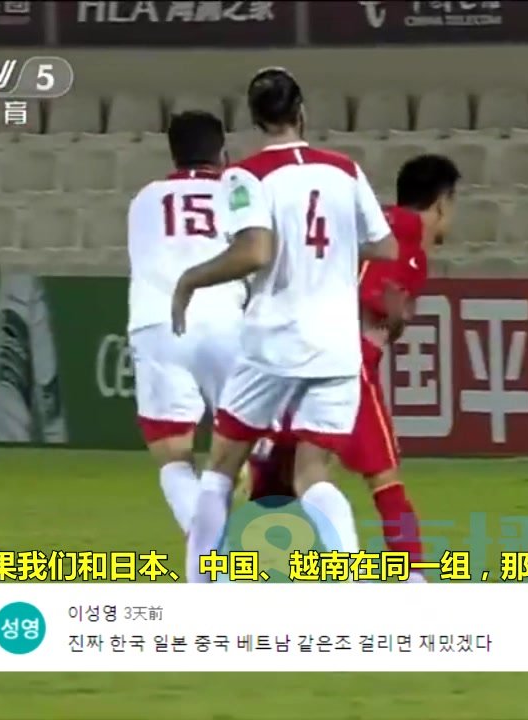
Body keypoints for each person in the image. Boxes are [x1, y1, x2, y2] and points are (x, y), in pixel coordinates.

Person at [171, 66, 399, 583]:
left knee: (221, 467)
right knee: (312, 473)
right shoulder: (344, 170)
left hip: (274, 343)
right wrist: (334, 254)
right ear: (302, 112)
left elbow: (255, 251)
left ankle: (200, 587)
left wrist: (191, 279)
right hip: (337, 345)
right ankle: (348, 579)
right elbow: (385, 245)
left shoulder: (245, 175)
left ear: (255, 119)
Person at [247, 155, 460, 581]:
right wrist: (391, 310)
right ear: (442, 202)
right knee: (380, 477)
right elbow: (367, 293)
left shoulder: (369, 223)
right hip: (348, 364)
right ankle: (409, 575)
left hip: (297, 352)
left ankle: (262, 568)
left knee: (286, 470)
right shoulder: (406, 243)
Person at [125, 111, 245, 541]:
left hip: (158, 324)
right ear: (222, 152)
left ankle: (209, 548)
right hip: (225, 322)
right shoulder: (239, 193)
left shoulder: (144, 200)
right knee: (251, 445)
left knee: (172, 452)